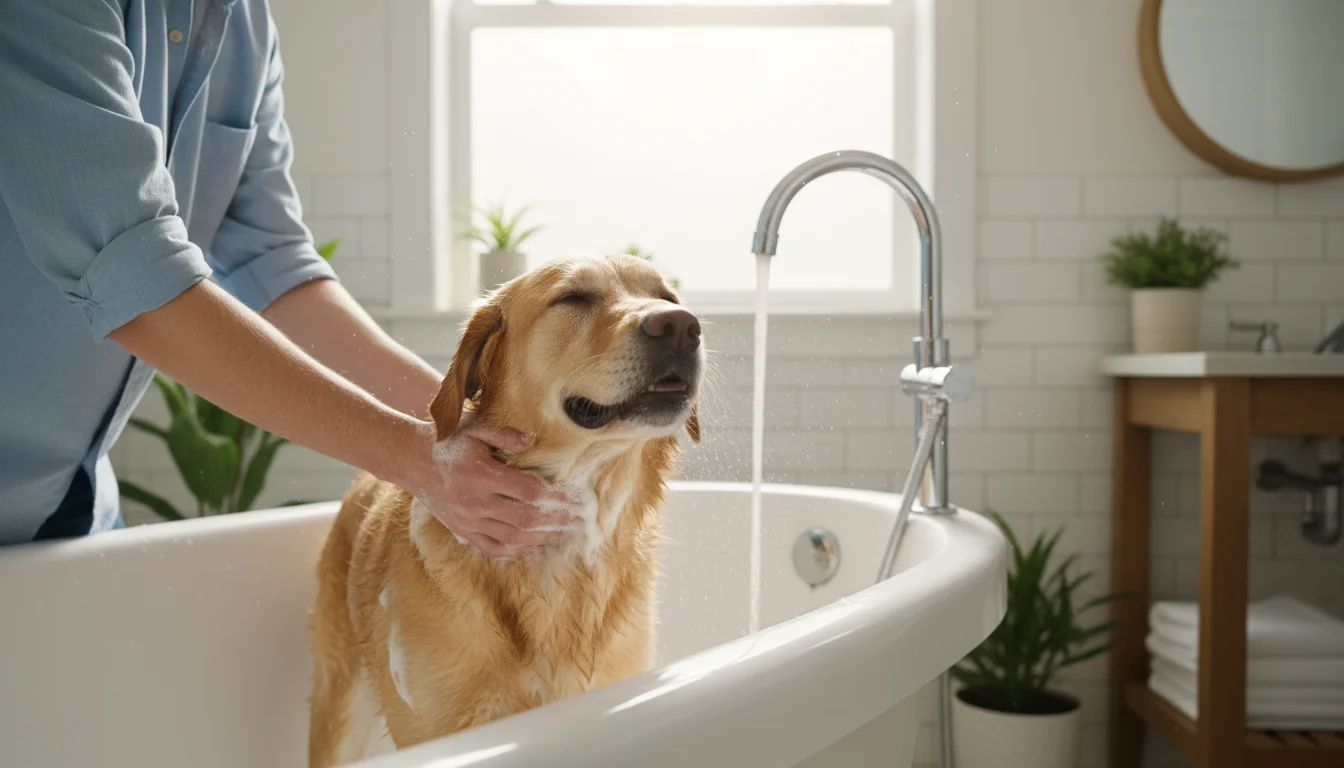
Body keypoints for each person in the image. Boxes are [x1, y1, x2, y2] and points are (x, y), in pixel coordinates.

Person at [0, 0, 583, 554]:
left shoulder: (243, 24)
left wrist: (468, 427)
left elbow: (271, 263)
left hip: (67, 499)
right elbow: (132, 274)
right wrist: (415, 457)